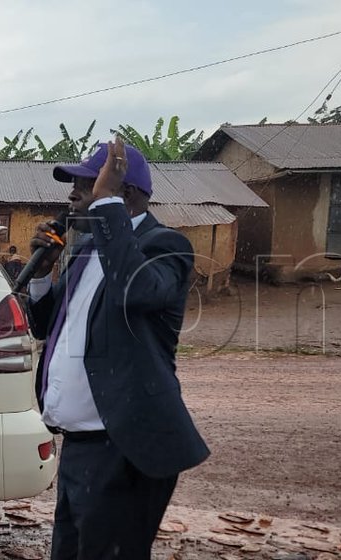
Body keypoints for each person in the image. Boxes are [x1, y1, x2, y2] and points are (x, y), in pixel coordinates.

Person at [26, 139, 209, 559]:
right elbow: (45, 327)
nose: (71, 193)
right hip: (79, 449)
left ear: (124, 193)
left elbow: (136, 292)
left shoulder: (165, 246)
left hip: (123, 452)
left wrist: (105, 206)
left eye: (85, 184)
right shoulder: (89, 250)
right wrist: (43, 271)